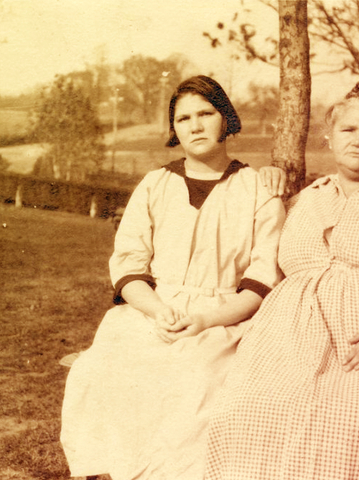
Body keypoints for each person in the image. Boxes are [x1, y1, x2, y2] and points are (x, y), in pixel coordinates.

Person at [60, 75, 286, 480]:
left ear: (226, 119)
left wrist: (205, 320)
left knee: (194, 383)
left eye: (206, 113)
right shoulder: (155, 184)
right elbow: (128, 266)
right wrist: (157, 309)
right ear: (174, 128)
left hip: (223, 319)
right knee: (97, 372)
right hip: (151, 311)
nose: (195, 126)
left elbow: (261, 280)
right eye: (183, 119)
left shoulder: (256, 188)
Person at [204, 84, 359, 480]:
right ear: (330, 135)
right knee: (241, 414)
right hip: (283, 343)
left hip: (352, 345)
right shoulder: (307, 196)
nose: (358, 141)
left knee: (341, 429)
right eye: (349, 130)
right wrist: (269, 177)